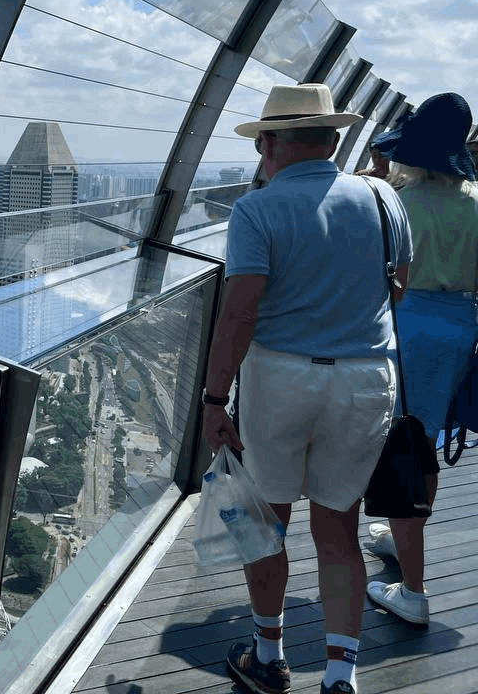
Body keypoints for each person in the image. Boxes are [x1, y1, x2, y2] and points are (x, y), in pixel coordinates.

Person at [202, 83, 411, 694]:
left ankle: (269, 657)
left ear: (268, 144)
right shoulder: (381, 198)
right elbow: (397, 289)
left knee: (267, 523)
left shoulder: (258, 209)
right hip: (366, 377)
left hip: (280, 377)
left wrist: (215, 401)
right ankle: (340, 675)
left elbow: (239, 313)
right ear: (333, 138)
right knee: (338, 528)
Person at [362, 92, 478, 625]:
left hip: (405, 326)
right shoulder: (476, 201)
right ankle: (400, 537)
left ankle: (413, 590)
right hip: (460, 328)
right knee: (422, 439)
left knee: (405, 448)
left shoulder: (399, 205)